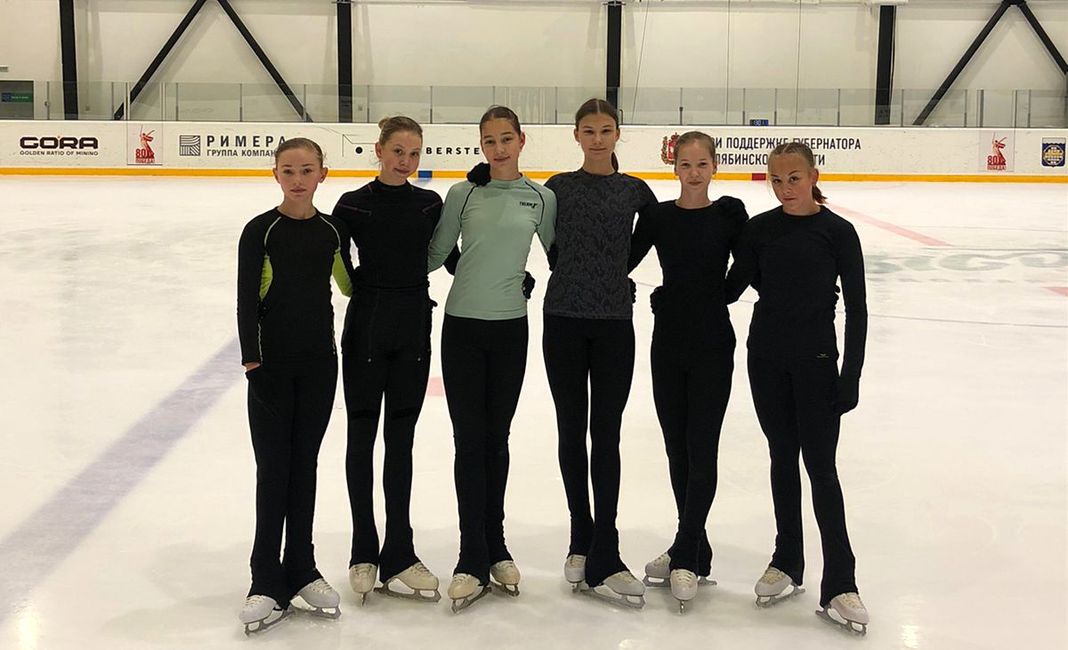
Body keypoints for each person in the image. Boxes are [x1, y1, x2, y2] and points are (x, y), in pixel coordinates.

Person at [726, 141, 869, 634]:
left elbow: (858, 309)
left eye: (794, 178)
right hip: (765, 360)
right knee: (782, 458)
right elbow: (730, 288)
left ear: (813, 177)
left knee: (821, 469)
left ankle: (841, 581)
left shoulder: (838, 232)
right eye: (777, 180)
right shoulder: (759, 229)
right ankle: (787, 558)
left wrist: (851, 375)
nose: (785, 188)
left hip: (817, 364)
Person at [427, 106, 556, 613]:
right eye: (489, 141)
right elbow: (437, 252)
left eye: (506, 139)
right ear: (480, 145)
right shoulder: (463, 193)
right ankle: (470, 555)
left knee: (496, 438)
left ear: (521, 141)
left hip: (510, 330)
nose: (498, 149)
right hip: (462, 328)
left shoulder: (541, 198)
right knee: (469, 439)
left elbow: (561, 257)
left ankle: (496, 546)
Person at [332, 116, 458, 605]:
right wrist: (355, 289)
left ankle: (400, 551)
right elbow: (334, 258)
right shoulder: (352, 204)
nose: (406, 161)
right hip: (366, 328)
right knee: (361, 437)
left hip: (412, 330)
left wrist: (507, 273)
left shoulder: (429, 204)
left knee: (401, 441)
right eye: (398, 151)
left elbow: (451, 257)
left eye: (414, 153)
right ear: (379, 150)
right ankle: (363, 550)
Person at [541, 98, 657, 609]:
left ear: (617, 134)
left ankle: (605, 543)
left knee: (606, 434)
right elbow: (548, 243)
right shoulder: (557, 188)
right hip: (563, 321)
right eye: (588, 131)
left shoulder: (634, 190)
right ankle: (579, 537)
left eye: (605, 130)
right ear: (576, 135)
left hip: (613, 325)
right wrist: (577, 270)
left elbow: (650, 238)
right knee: (571, 430)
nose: (597, 139)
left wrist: (615, 271)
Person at [235, 137, 353, 634]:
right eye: (289, 170)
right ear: (276, 175)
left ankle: (302, 567)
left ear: (323, 174)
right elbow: (246, 299)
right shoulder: (261, 231)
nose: (298, 179)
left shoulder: (332, 230)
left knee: (305, 466)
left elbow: (349, 284)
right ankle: (265, 577)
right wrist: (252, 362)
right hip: (271, 367)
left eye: (307, 170)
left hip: (320, 365)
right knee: (273, 471)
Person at [628, 131, 748, 612]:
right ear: (673, 167)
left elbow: (749, 264)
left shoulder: (729, 214)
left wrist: (718, 295)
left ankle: (684, 552)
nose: (694, 173)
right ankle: (695, 546)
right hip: (668, 343)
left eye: (702, 164)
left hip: (713, 343)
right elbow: (622, 260)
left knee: (702, 446)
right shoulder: (658, 217)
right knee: (676, 447)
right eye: (685, 165)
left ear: (715, 166)